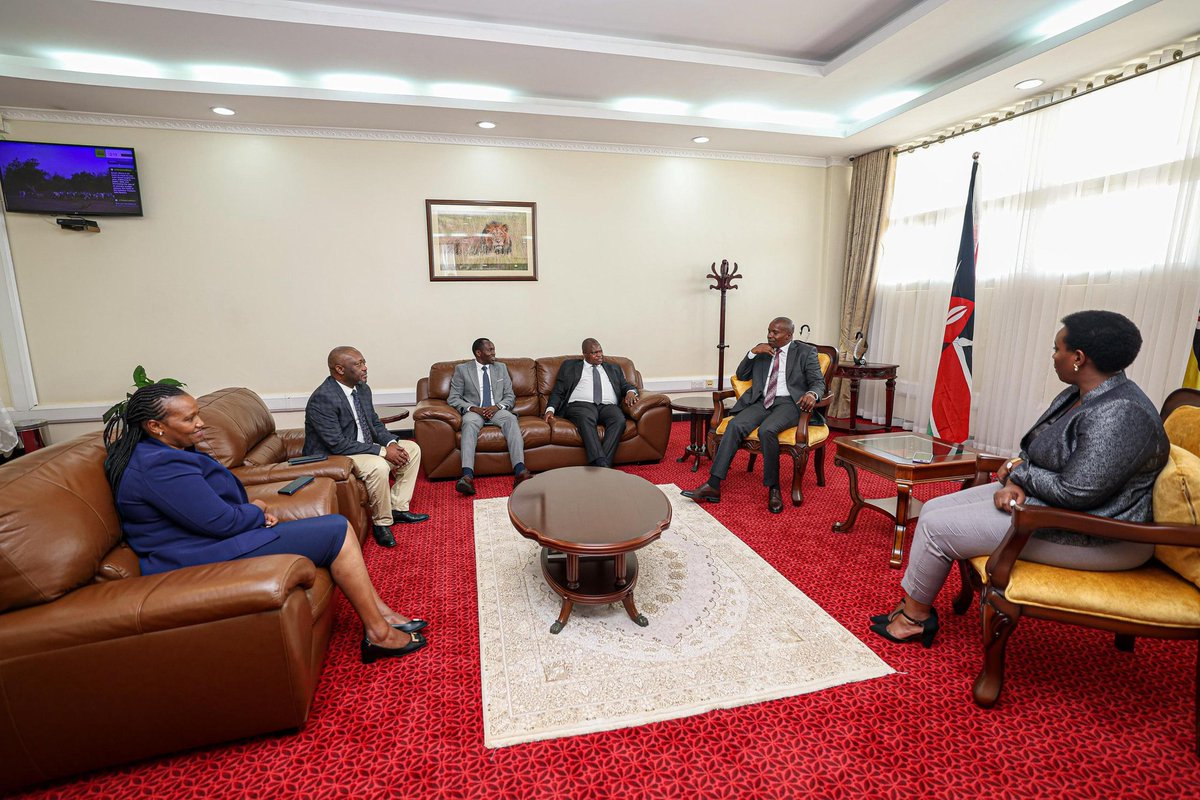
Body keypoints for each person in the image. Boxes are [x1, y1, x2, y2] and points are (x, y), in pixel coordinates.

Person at [870, 310, 1169, 648]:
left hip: (1100, 535)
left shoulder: (1121, 413)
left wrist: (1018, 473)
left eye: (1057, 349)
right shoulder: (1079, 394)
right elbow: (1034, 450)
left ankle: (914, 620)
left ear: (1078, 358)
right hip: (1054, 507)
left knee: (938, 529)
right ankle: (913, 607)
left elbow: (1077, 492)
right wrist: (1015, 481)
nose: (1053, 357)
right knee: (932, 509)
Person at [104, 384, 429, 664]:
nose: (200, 423)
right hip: (197, 553)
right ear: (155, 426)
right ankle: (378, 632)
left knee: (335, 527)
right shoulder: (160, 465)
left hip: (209, 539)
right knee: (336, 529)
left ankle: (382, 615)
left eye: (197, 414)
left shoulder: (162, 452)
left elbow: (205, 509)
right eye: (189, 419)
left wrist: (250, 514)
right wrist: (257, 511)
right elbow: (220, 522)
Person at [683, 316, 825, 514]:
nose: (770, 335)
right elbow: (742, 375)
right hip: (761, 401)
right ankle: (713, 485)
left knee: (767, 430)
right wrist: (751, 353)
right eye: (769, 331)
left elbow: (818, 382)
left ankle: (774, 488)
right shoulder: (763, 350)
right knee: (734, 425)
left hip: (789, 403)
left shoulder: (805, 352)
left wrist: (811, 394)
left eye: (775, 332)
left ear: (788, 335)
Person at [304, 347, 428, 549]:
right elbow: (336, 443)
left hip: (362, 447)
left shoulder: (362, 389)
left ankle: (397, 508)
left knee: (411, 449)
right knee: (378, 465)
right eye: (358, 364)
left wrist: (391, 444)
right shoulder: (323, 398)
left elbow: (374, 424)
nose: (365, 368)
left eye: (364, 362)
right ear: (339, 369)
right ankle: (382, 523)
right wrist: (382, 451)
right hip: (335, 455)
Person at [447, 337, 533, 495]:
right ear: (478, 353)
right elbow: (453, 398)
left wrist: (496, 407)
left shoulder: (501, 368)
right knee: (468, 424)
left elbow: (510, 396)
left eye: (493, 349)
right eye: (490, 350)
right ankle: (467, 476)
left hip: (497, 410)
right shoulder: (462, 370)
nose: (494, 353)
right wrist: (474, 408)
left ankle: (520, 471)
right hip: (475, 411)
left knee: (511, 419)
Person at [544, 338, 639, 468]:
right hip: (581, 405)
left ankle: (601, 464)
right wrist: (550, 409)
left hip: (608, 406)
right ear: (584, 354)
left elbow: (625, 385)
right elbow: (558, 391)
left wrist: (631, 392)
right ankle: (602, 463)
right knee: (585, 418)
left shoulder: (613, 368)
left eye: (600, 351)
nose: (599, 355)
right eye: (594, 353)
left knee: (619, 420)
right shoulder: (570, 366)